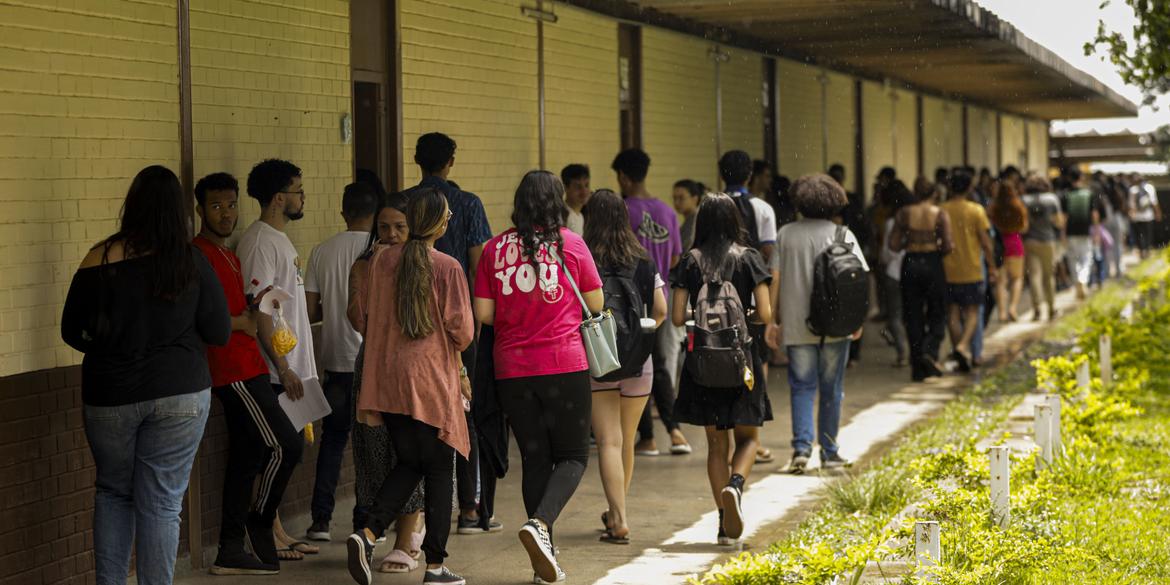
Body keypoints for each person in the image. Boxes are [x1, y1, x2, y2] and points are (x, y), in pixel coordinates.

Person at [61, 166, 230, 585]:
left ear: (131, 205)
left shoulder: (99, 257)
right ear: (179, 211)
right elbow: (220, 331)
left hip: (110, 393)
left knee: (114, 493)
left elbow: (71, 330)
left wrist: (112, 348)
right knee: (161, 503)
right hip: (181, 393)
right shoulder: (191, 259)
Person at [473, 170, 604, 584]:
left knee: (535, 459)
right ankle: (541, 525)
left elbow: (484, 315)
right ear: (557, 202)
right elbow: (595, 302)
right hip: (564, 365)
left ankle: (541, 559)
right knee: (573, 456)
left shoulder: (494, 249)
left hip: (511, 370)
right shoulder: (571, 243)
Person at [346, 187, 473, 585]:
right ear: (436, 223)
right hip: (430, 379)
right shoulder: (447, 266)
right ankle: (434, 565)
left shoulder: (381, 260)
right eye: (447, 215)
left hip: (387, 378)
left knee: (411, 462)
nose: (450, 219)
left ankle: (367, 534)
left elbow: (364, 316)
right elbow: (462, 331)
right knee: (438, 471)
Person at [192, 172, 302, 575]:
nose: (226, 213)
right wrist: (244, 322)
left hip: (252, 363)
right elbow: (203, 318)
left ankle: (230, 549)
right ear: (200, 209)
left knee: (247, 455)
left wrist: (253, 319)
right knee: (286, 446)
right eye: (216, 206)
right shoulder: (198, 254)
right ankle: (261, 519)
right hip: (231, 370)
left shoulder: (229, 255)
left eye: (231, 204)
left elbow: (247, 312)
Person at [671, 193, 773, 545]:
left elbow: (675, 317)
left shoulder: (690, 261)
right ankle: (736, 485)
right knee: (748, 439)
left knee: (716, 446)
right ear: (734, 221)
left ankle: (721, 524)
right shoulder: (748, 258)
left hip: (703, 364)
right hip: (741, 361)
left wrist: (702, 317)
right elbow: (766, 312)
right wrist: (743, 317)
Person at [411, 133, 498, 535]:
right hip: (460, 322)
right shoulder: (467, 203)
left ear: (417, 161)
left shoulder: (402, 202)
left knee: (415, 419)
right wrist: (477, 322)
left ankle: (414, 518)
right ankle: (469, 509)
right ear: (450, 161)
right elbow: (480, 265)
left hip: (410, 325)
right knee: (466, 412)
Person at [235, 158, 320, 559]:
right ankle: (263, 528)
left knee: (284, 453)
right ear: (278, 197)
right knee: (273, 451)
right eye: (298, 190)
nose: (303, 197)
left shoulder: (280, 239)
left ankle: (278, 528)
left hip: (292, 365)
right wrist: (283, 367)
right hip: (272, 369)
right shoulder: (258, 241)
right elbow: (263, 307)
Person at [347, 192, 428, 574]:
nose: (392, 234)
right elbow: (358, 320)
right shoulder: (365, 266)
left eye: (400, 227)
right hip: (373, 367)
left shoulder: (427, 265)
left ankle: (406, 541)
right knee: (375, 453)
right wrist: (375, 270)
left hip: (413, 369)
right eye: (384, 228)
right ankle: (387, 527)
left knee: (409, 451)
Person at [582, 189, 669, 545]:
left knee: (607, 441)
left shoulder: (583, 258)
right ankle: (618, 510)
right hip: (638, 363)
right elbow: (661, 310)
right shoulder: (643, 260)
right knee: (627, 441)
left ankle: (617, 517)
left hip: (599, 361)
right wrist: (637, 340)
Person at [773, 175, 867, 474]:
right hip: (835, 325)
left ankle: (801, 450)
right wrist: (858, 319)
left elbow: (774, 279)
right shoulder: (843, 234)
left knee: (801, 387)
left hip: (797, 324)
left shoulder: (786, 234)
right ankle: (829, 452)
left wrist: (771, 320)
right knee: (831, 388)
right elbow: (860, 280)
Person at [304, 182, 379, 543]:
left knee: (332, 441)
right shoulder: (380, 250)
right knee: (369, 445)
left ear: (343, 212)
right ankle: (363, 521)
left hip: (335, 361)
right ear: (376, 213)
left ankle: (320, 520)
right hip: (374, 365)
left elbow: (310, 310)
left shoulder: (322, 251)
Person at [612, 148, 691, 456]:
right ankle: (674, 431)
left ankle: (648, 437)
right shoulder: (667, 211)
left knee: (635, 368)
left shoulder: (623, 210)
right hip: (660, 298)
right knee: (659, 366)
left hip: (629, 302)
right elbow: (673, 258)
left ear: (622, 176)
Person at [720, 150, 780, 464]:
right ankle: (751, 438)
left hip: (715, 299)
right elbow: (768, 252)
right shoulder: (762, 208)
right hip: (753, 298)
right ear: (750, 176)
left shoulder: (713, 205)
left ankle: (728, 436)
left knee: (719, 357)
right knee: (754, 361)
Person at [890, 178, 954, 381]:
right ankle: (930, 350)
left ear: (915, 193)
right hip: (932, 261)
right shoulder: (940, 214)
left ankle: (917, 367)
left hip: (910, 263)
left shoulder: (904, 213)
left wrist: (909, 242)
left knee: (912, 315)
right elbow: (948, 245)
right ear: (934, 193)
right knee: (938, 311)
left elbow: (893, 244)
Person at [940, 170, 996, 372]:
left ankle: (958, 349)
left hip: (948, 268)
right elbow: (985, 242)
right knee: (973, 312)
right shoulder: (976, 210)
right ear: (969, 188)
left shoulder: (942, 209)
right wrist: (991, 266)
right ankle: (964, 346)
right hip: (972, 268)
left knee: (952, 313)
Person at [829, 163, 870, 368]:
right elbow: (863, 225)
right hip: (851, 260)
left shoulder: (827, 202)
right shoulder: (851, 199)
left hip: (833, 261)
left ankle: (848, 352)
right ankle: (852, 353)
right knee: (851, 305)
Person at [878, 180, 913, 368]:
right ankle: (916, 349)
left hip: (893, 272)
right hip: (913, 272)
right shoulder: (917, 220)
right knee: (913, 313)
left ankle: (902, 352)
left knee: (895, 315)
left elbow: (886, 252)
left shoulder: (891, 222)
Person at [1020, 174, 1064, 321]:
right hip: (1048, 241)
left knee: (1034, 276)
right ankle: (1051, 309)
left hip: (1030, 241)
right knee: (1049, 276)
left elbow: (1022, 224)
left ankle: (1037, 309)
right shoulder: (1052, 199)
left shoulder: (1024, 200)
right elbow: (1059, 222)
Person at [1061, 168, 1106, 300]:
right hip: (1085, 231)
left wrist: (1062, 233)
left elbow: (1064, 217)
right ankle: (1083, 279)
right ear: (1081, 178)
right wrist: (1097, 231)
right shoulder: (1089, 194)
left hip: (1070, 232)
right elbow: (1094, 214)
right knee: (1086, 258)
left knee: (1072, 259)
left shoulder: (1065, 195)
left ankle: (1077, 284)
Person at [988, 181, 1029, 322]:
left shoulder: (994, 207)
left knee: (1001, 281)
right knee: (1017, 278)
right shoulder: (1018, 206)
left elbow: (990, 225)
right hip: (1015, 242)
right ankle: (1012, 307)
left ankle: (1001, 312)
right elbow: (1024, 228)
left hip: (1000, 244)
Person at [1128, 172, 1161, 259]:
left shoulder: (1133, 190)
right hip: (1148, 216)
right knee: (1147, 235)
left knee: (1139, 235)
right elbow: (1154, 203)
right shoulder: (1150, 188)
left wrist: (1132, 214)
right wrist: (1158, 213)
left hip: (1137, 217)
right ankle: (1146, 251)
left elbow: (1132, 206)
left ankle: (1142, 251)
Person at [672, 179, 705, 250]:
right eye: (674, 198)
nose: (676, 202)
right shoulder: (689, 221)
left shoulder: (698, 221)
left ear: (695, 199)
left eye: (681, 198)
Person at [562, 164, 591, 234]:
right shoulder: (565, 217)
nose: (584, 192)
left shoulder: (579, 216)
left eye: (586, 185)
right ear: (565, 188)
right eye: (578, 187)